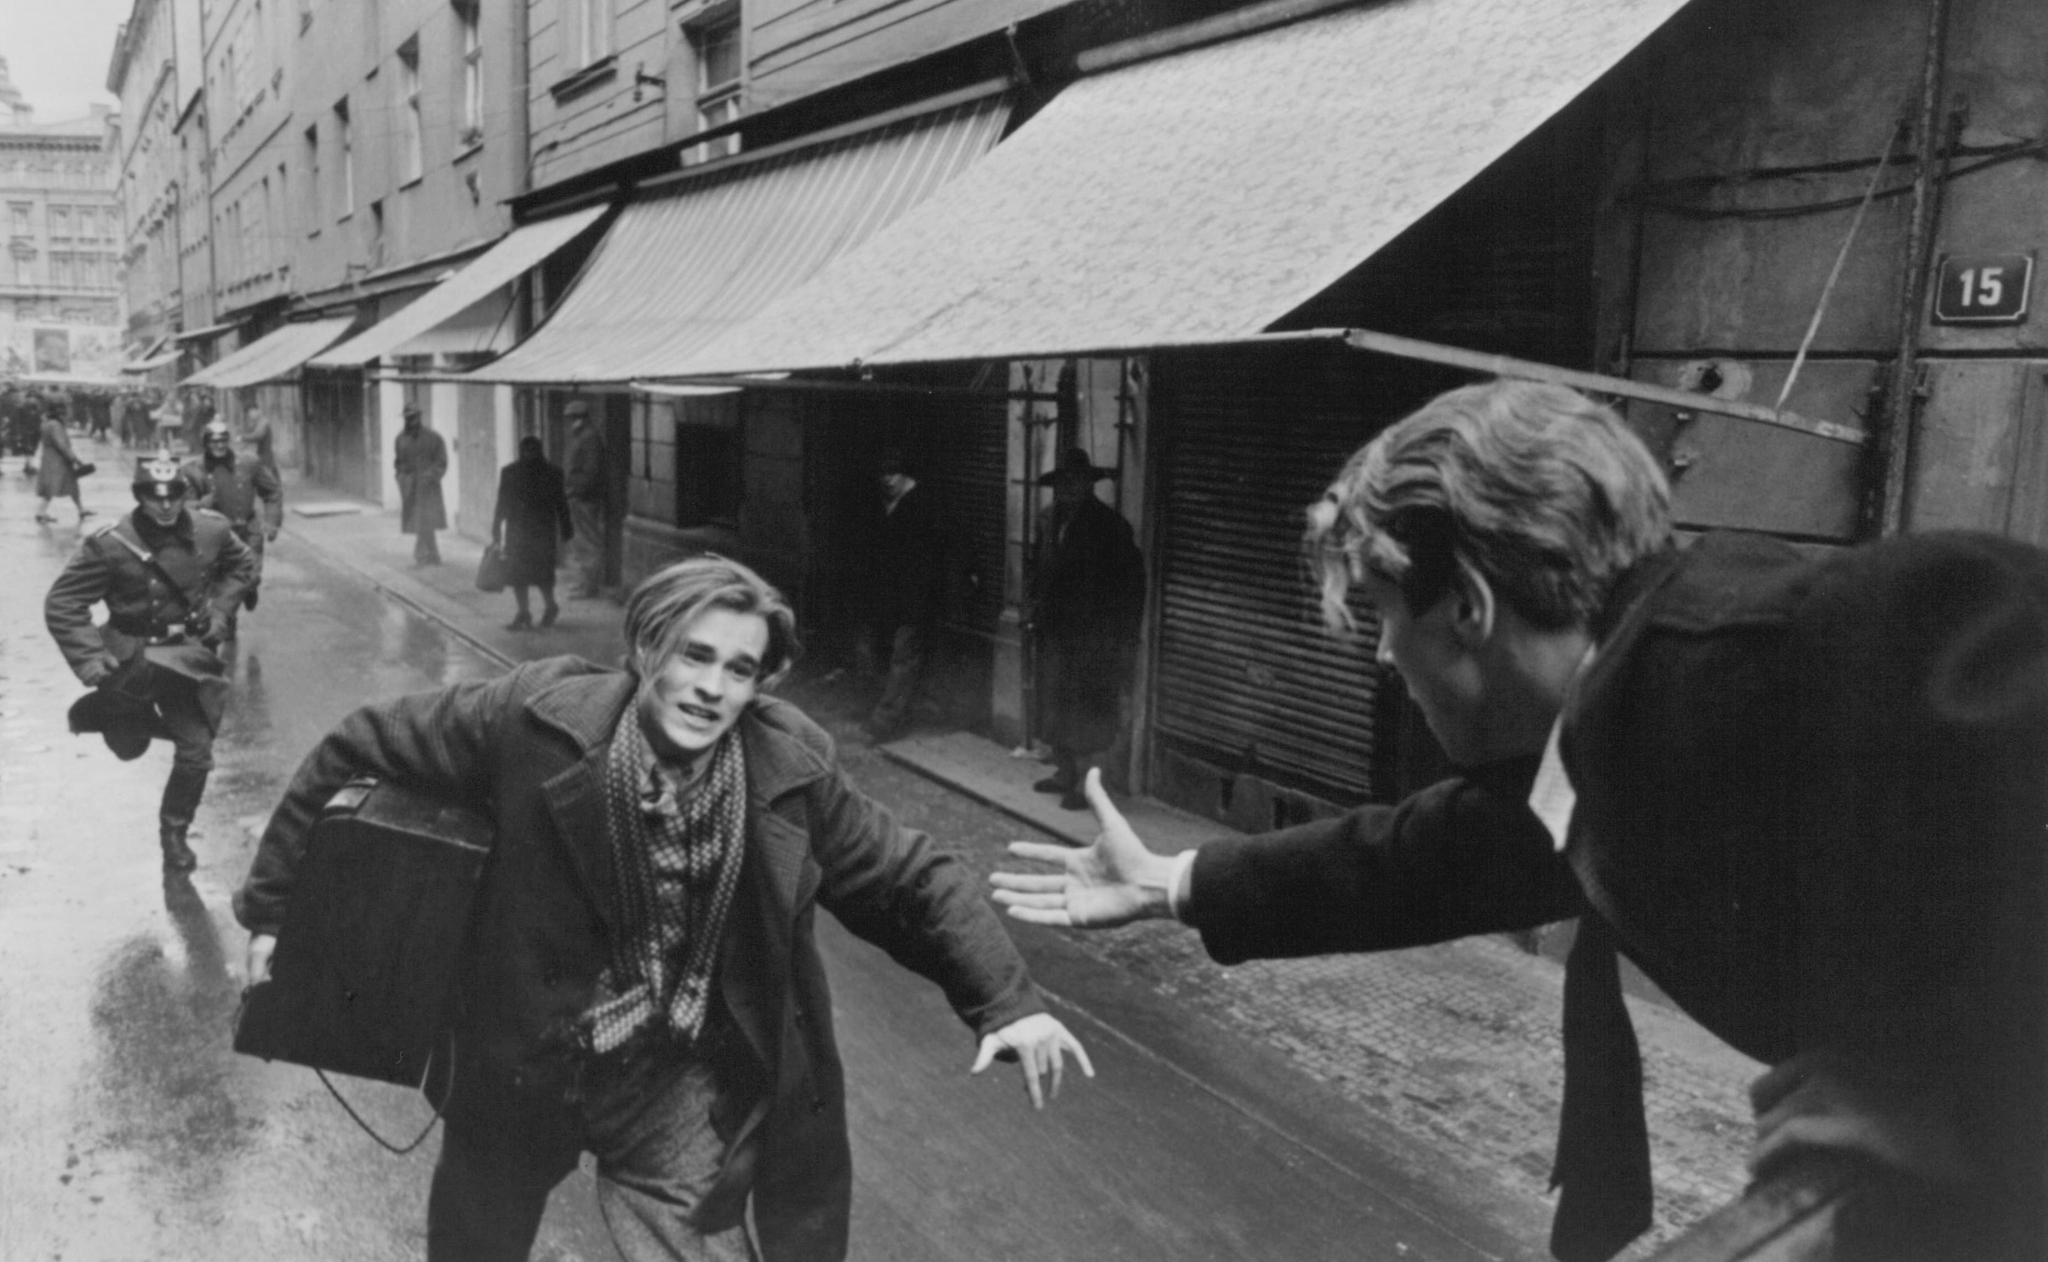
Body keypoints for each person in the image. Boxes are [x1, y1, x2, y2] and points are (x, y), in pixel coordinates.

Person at [993, 379, 2046, 1262]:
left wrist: (1950, 1080)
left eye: (1381, 614)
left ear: (1467, 609)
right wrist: (1173, 883)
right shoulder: (1616, 725)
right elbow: (1435, 856)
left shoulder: (1774, 648)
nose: (1378, 659)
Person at [236, 553, 1092, 1261]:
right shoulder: (534, 719)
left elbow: (910, 876)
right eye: (694, 655)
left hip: (674, 1081)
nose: (710, 687)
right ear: (647, 648)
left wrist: (1004, 1002)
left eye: (739, 669)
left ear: (761, 683)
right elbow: (359, 744)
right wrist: (274, 909)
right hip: (526, 1059)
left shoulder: (787, 772)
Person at [46, 456, 257, 872]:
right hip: (130, 661)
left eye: (174, 495)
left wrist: (219, 614)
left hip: (185, 660)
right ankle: (115, 716)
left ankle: (174, 834)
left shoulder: (210, 529)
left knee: (196, 754)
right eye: (153, 496)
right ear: (140, 497)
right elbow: (63, 602)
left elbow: (242, 564)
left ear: (184, 493)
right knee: (128, 746)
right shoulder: (110, 544)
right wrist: (90, 659)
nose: (165, 506)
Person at [1028, 448, 1146, 809]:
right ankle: (1065, 772)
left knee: (1089, 710)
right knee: (1055, 704)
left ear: (1088, 484)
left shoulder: (1110, 527)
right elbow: (1038, 570)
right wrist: (1035, 612)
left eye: (1075, 482)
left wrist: (1120, 637)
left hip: (1093, 637)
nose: (1067, 488)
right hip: (1055, 633)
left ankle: (1089, 785)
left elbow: (1131, 586)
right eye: (1062, 482)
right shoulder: (1048, 521)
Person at [861, 446, 948, 743]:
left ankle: (886, 722)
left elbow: (935, 556)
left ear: (905, 474)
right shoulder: (888, 502)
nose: (887, 480)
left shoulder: (924, 505)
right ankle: (900, 711)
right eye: (883, 474)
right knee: (889, 656)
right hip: (891, 599)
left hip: (915, 599)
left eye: (893, 474)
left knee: (903, 658)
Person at [182, 418, 283, 629]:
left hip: (248, 528)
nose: (219, 445)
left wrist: (272, 522)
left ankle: (249, 588)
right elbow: (182, 505)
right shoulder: (193, 469)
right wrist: (201, 503)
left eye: (223, 441)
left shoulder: (249, 463)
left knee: (251, 576)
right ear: (205, 443)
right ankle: (228, 620)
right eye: (213, 441)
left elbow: (272, 491)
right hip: (218, 535)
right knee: (221, 582)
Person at [492, 434, 574, 630]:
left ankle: (550, 606)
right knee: (518, 574)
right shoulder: (511, 472)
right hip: (522, 531)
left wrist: (566, 527)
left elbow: (561, 503)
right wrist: (496, 527)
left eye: (533, 451)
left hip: (539, 532)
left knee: (542, 574)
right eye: (528, 451)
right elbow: (502, 502)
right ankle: (524, 612)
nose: (530, 455)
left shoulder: (551, 473)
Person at [563, 398, 609, 598]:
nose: (572, 422)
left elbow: (591, 472)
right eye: (572, 418)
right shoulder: (582, 437)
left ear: (582, 418)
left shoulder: (589, 438)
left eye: (575, 418)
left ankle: (589, 587)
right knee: (580, 543)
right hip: (579, 498)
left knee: (588, 543)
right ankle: (583, 582)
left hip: (585, 499)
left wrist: (574, 490)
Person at [394, 402, 449, 565]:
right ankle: (431, 555)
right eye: (408, 418)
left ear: (420, 417)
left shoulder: (434, 438)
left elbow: (442, 462)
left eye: (414, 417)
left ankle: (423, 555)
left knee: (425, 520)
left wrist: (430, 476)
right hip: (410, 487)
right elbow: (398, 463)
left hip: (428, 488)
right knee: (420, 521)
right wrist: (402, 479)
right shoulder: (400, 439)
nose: (411, 421)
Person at [34, 397, 91, 525]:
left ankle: (81, 509)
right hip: (58, 461)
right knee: (54, 486)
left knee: (71, 486)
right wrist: (74, 459)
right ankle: (40, 512)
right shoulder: (55, 425)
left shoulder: (47, 423)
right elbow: (61, 445)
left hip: (51, 459)